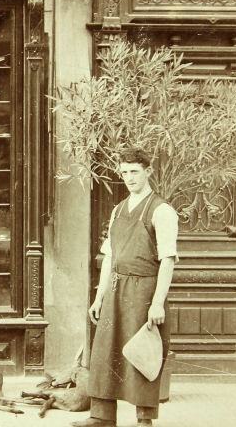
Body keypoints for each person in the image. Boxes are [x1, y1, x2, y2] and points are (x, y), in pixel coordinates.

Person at [74, 147, 178, 427]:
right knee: (105, 350)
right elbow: (110, 256)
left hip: (145, 291)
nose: (129, 178)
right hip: (117, 289)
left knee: (142, 351)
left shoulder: (162, 211)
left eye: (135, 172)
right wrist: (99, 297)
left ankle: (144, 419)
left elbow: (168, 261)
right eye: (124, 172)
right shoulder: (118, 210)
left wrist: (157, 303)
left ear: (148, 172)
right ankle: (102, 416)